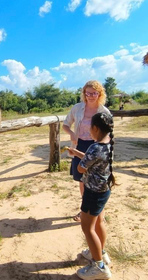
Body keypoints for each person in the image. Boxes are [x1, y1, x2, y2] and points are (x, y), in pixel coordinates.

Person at [67, 112, 116, 280]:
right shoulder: (108, 143)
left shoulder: (95, 147)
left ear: (95, 128)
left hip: (93, 192)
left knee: (87, 228)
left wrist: (79, 159)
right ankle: (100, 252)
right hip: (103, 190)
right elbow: (93, 159)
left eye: (90, 128)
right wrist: (78, 153)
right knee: (99, 223)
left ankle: (99, 266)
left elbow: (81, 169)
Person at [62, 80, 110, 222]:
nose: (90, 96)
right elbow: (66, 124)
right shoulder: (77, 108)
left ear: (99, 94)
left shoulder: (104, 112)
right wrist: (71, 133)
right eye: (88, 93)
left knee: (95, 180)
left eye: (94, 93)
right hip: (80, 145)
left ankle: (97, 210)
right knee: (82, 179)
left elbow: (109, 134)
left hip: (96, 147)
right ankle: (85, 209)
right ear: (84, 93)